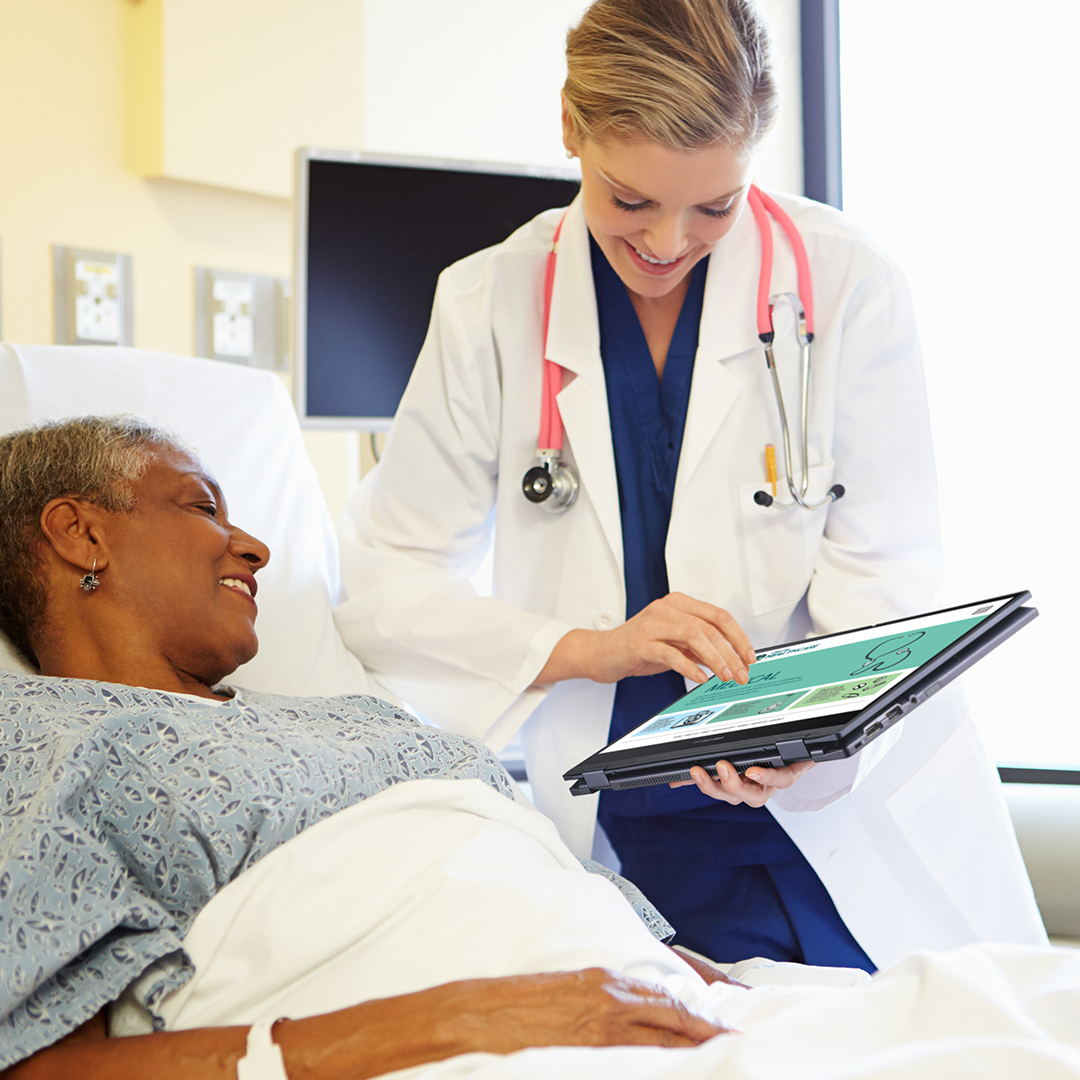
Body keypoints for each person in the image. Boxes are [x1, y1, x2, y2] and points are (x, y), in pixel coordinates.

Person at [333, 0, 1046, 972]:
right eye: (631, 202)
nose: (669, 241)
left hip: (847, 814)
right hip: (642, 839)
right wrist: (586, 649)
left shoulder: (849, 287)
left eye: (716, 205)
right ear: (570, 127)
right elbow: (386, 585)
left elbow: (890, 570)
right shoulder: (489, 302)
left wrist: (812, 736)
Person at [0, 416, 736, 1078]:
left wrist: (733, 1001)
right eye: (200, 507)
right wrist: (458, 1020)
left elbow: (580, 916)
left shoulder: (356, 715)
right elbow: (44, 1063)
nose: (255, 548)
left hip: (656, 1010)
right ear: (80, 533)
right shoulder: (41, 738)